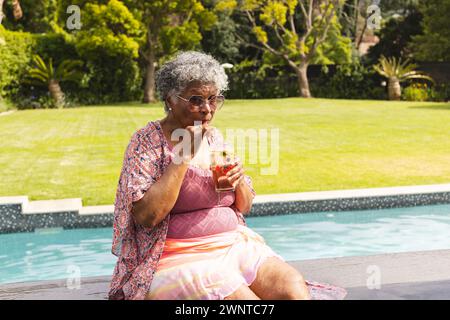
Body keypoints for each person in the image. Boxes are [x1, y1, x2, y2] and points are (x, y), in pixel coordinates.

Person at [108, 51, 347, 300]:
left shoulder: (213, 137)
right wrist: (182, 157)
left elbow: (243, 206)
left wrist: (240, 181)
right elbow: (148, 216)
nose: (207, 110)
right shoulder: (146, 141)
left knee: (293, 287)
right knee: (240, 300)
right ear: (170, 98)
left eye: (213, 99)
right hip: (173, 256)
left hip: (231, 246)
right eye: (196, 99)